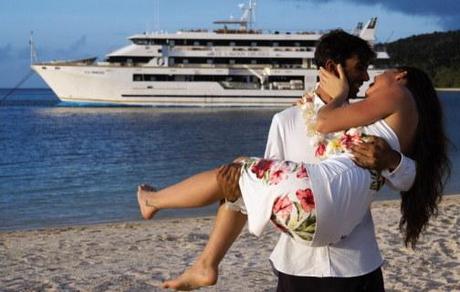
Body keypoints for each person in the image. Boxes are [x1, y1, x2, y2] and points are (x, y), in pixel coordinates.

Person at [137, 65, 450, 290]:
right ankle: (203, 261)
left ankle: (156, 203)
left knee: (237, 169)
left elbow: (327, 122)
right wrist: (239, 190)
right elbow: (273, 176)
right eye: (360, 71)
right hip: (299, 258)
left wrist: (390, 157)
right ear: (331, 68)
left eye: (374, 73)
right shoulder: (287, 120)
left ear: (401, 76)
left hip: (352, 262)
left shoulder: (382, 105)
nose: (367, 80)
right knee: (238, 177)